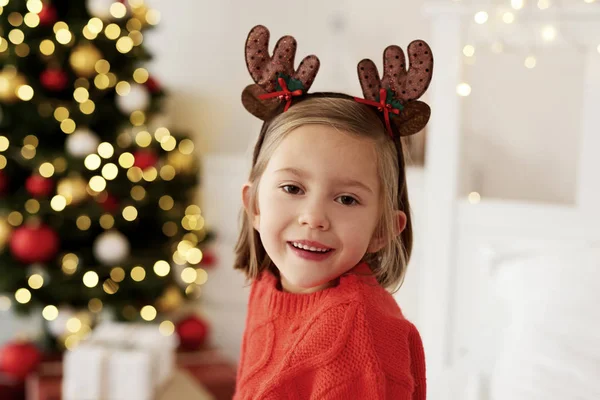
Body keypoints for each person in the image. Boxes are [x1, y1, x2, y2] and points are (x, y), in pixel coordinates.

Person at [232, 25, 433, 399]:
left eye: (346, 199)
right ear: (255, 205)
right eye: (292, 189)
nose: (314, 217)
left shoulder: (356, 329)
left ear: (382, 230)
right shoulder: (269, 282)